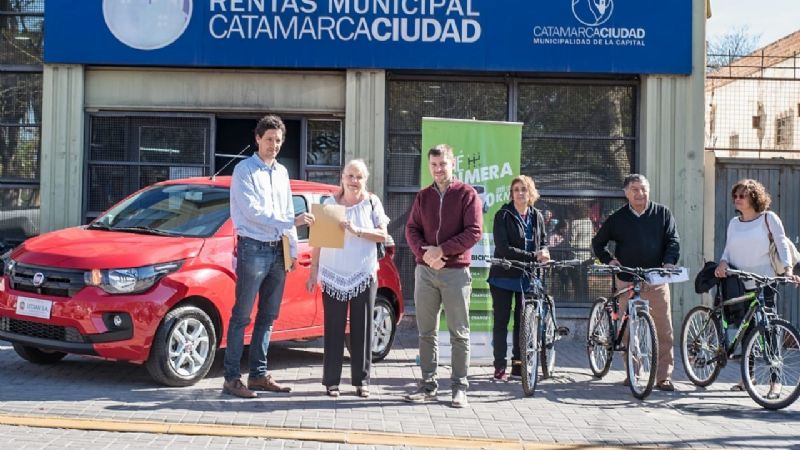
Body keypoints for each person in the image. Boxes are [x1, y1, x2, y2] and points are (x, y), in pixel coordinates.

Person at [223, 114, 316, 398]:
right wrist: (292, 221)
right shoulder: (244, 170)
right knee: (242, 315)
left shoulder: (282, 172)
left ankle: (259, 375)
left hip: (277, 249)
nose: (274, 145)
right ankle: (231, 379)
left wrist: (290, 249)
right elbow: (253, 212)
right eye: (269, 140)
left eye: (278, 140)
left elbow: (284, 209)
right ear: (257, 139)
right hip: (253, 247)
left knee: (268, 316)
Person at [404, 144, 483, 408]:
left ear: (453, 164)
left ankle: (459, 388)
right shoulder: (423, 196)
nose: (438, 169)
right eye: (434, 165)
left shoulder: (467, 195)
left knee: (459, 333)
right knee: (426, 332)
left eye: (443, 164)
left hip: (455, 273)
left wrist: (442, 250)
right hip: (425, 272)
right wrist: (424, 254)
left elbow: (473, 232)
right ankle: (428, 385)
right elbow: (411, 229)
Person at [305, 159, 389, 398]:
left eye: (359, 177)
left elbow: (383, 235)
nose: (354, 181)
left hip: (363, 272)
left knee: (363, 328)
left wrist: (357, 230)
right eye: (350, 176)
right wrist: (313, 271)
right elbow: (318, 240)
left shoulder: (372, 202)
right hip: (333, 274)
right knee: (333, 327)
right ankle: (331, 382)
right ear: (342, 177)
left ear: (365, 179)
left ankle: (362, 381)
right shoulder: (330, 204)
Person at [591, 174, 680, 392]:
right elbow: (598, 243)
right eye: (634, 189)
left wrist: (669, 262)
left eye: (643, 189)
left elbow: (673, 240)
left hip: (656, 278)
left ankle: (663, 376)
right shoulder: (618, 218)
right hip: (627, 278)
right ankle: (633, 371)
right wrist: (609, 260)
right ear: (626, 193)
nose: (640, 193)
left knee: (663, 329)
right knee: (628, 327)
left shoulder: (662, 213)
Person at [712, 179, 800, 393]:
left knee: (770, 330)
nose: (737, 199)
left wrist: (788, 269)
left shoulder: (769, 218)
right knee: (747, 330)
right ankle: (747, 378)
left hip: (766, 281)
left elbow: (781, 244)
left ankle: (775, 381)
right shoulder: (734, 223)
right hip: (739, 281)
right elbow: (728, 250)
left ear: (754, 198)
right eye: (736, 196)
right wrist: (723, 262)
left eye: (742, 196)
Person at [487, 175, 549, 381]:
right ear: (511, 194)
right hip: (503, 276)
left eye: (524, 189)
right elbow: (503, 247)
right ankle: (499, 366)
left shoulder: (537, 216)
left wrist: (544, 252)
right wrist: (533, 256)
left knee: (523, 324)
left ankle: (518, 365)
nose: (520, 193)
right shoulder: (502, 215)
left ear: (531, 192)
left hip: (528, 277)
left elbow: (544, 242)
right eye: (516, 190)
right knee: (501, 322)